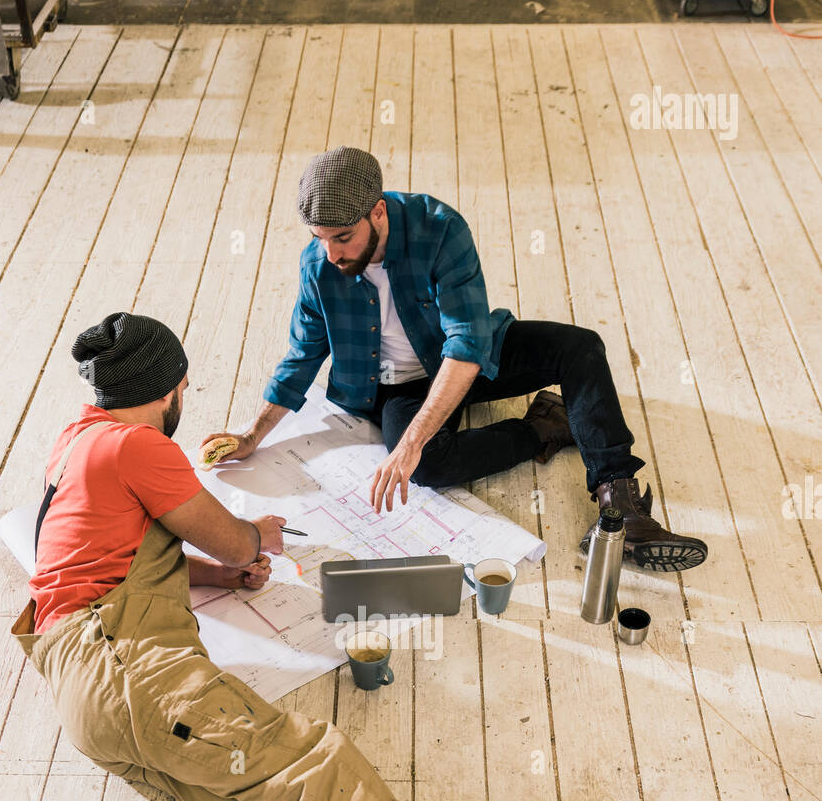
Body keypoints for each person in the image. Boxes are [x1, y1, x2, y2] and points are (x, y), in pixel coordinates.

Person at [12, 311, 636, 801]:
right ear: (169, 388)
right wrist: (255, 540)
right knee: (316, 774)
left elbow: (111, 562)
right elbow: (234, 533)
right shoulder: (137, 445)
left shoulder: (75, 444)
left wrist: (219, 573)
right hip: (132, 675)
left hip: (90, 696)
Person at [205, 145, 707, 570]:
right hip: (397, 388)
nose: (331, 253)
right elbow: (302, 353)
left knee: (580, 347)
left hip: (465, 360)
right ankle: (544, 426)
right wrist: (252, 436)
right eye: (319, 238)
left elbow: (467, 343)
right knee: (427, 466)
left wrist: (409, 443)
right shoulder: (319, 264)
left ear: (377, 211)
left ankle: (620, 505)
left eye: (342, 237)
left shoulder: (440, 230)